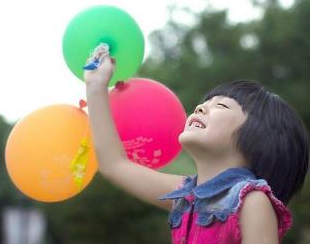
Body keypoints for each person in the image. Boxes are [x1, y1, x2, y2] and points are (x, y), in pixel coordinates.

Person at [84, 45, 309, 243]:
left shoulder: (252, 201)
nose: (201, 108)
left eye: (222, 106)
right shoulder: (185, 195)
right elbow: (114, 164)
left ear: (258, 139)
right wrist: (96, 87)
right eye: (204, 103)